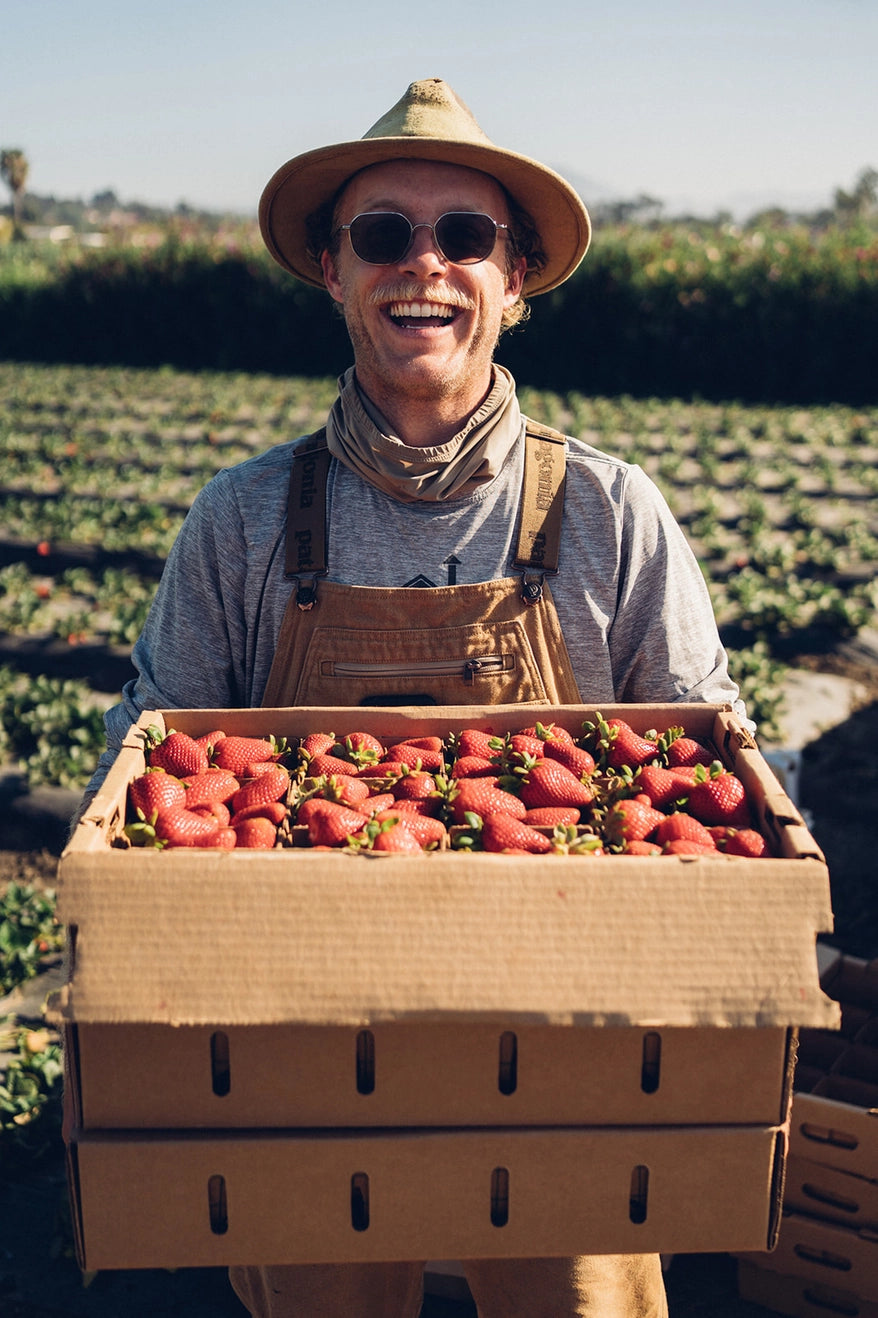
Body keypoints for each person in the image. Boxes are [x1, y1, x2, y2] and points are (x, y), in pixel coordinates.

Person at [94, 78, 744, 1316]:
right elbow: (148, 759)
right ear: (335, 273)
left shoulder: (611, 513)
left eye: (465, 236)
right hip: (299, 1047)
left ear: (515, 283)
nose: (422, 265)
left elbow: (711, 773)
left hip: (566, 1051)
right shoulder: (242, 522)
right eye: (383, 234)